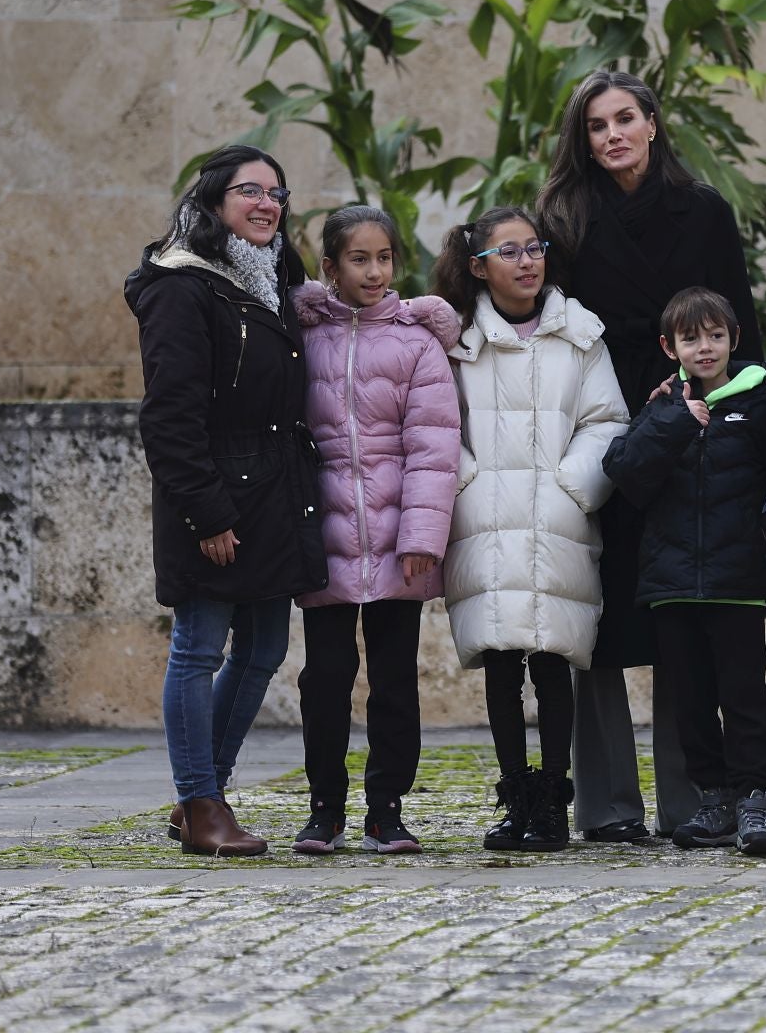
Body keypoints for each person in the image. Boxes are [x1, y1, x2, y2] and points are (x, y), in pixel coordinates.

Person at [537, 69, 760, 843]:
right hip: (596, 426)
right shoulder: (561, 216)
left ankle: (692, 798)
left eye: (624, 119)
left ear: (653, 123)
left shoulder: (702, 210)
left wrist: (733, 423)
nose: (612, 136)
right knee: (596, 613)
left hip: (691, 431)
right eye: (596, 126)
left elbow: (742, 330)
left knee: (682, 618)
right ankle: (605, 807)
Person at [123, 143, 328, 858]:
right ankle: (204, 803)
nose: (267, 203)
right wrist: (207, 511)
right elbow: (168, 418)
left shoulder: (269, 281)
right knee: (199, 647)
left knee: (265, 646)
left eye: (277, 191)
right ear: (213, 202)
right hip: (214, 494)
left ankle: (199, 793)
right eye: (250, 190)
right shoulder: (182, 286)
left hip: (274, 491)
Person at [433, 205, 628, 852]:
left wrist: (573, 486)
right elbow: (435, 422)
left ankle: (551, 803)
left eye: (534, 248)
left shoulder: (580, 335)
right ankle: (514, 795)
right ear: (479, 266)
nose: (526, 262)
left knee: (552, 659)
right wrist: (465, 484)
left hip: (556, 521)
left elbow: (607, 420)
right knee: (499, 662)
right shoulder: (457, 340)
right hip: (484, 522)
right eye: (509, 252)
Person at [286, 205, 461, 857]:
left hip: (397, 547)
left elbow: (434, 447)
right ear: (329, 267)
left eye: (383, 257)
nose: (374, 270)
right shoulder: (304, 340)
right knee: (324, 682)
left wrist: (421, 535)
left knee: (395, 683)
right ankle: (324, 809)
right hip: (323, 543)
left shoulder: (417, 345)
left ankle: (387, 810)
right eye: (358, 258)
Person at [601, 287, 766, 857]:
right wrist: (679, 421)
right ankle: (714, 799)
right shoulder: (662, 408)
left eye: (715, 336)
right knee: (689, 698)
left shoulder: (761, 401)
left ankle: (755, 798)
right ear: (670, 347)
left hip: (737, 582)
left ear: (734, 339)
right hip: (673, 584)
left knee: (743, 696)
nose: (704, 347)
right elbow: (625, 473)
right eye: (691, 338)